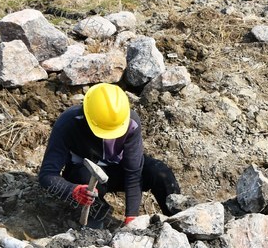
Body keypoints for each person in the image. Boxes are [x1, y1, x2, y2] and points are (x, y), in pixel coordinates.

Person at [38, 83, 180, 226]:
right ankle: (97, 218)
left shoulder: (130, 121)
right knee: (83, 181)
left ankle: (180, 221)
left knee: (161, 173)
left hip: (119, 171)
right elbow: (47, 175)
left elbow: (133, 172)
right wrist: (72, 191)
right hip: (86, 176)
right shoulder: (68, 123)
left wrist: (132, 216)